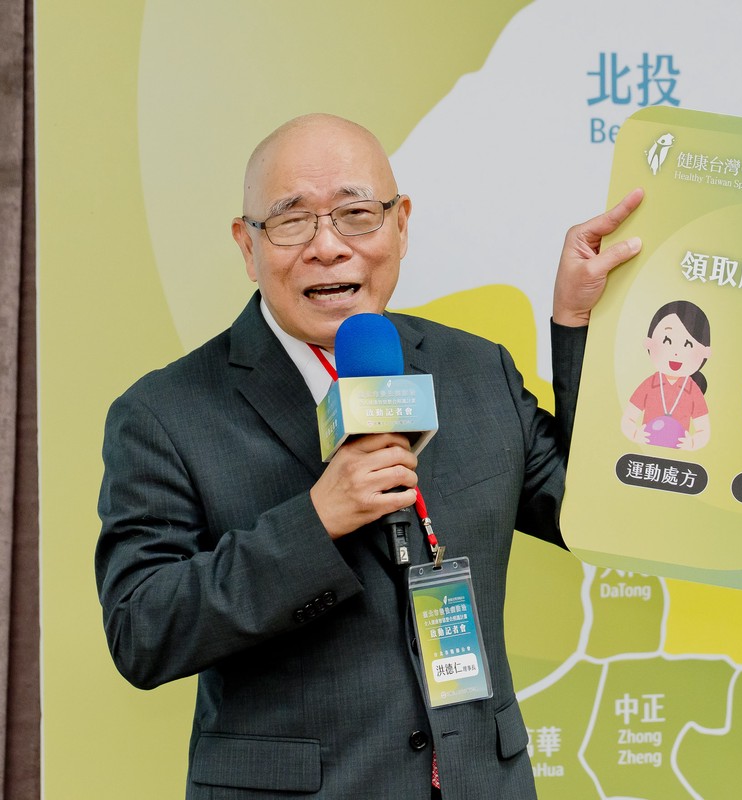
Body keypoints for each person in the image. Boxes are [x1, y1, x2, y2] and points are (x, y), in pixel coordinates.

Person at [95, 113, 643, 799]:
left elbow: (601, 512)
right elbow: (142, 631)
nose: (328, 248)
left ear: (401, 224)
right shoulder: (166, 413)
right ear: (247, 244)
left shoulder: (477, 372)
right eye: (292, 221)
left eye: (357, 215)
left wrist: (579, 323)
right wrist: (315, 522)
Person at [620, 299, 712, 450]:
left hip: (677, 455)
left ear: (705, 352)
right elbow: (628, 418)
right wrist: (635, 434)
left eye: (687, 344)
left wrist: (692, 443)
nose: (676, 353)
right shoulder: (649, 384)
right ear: (649, 343)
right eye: (667, 340)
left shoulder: (693, 391)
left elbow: (703, 430)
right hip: (645, 450)